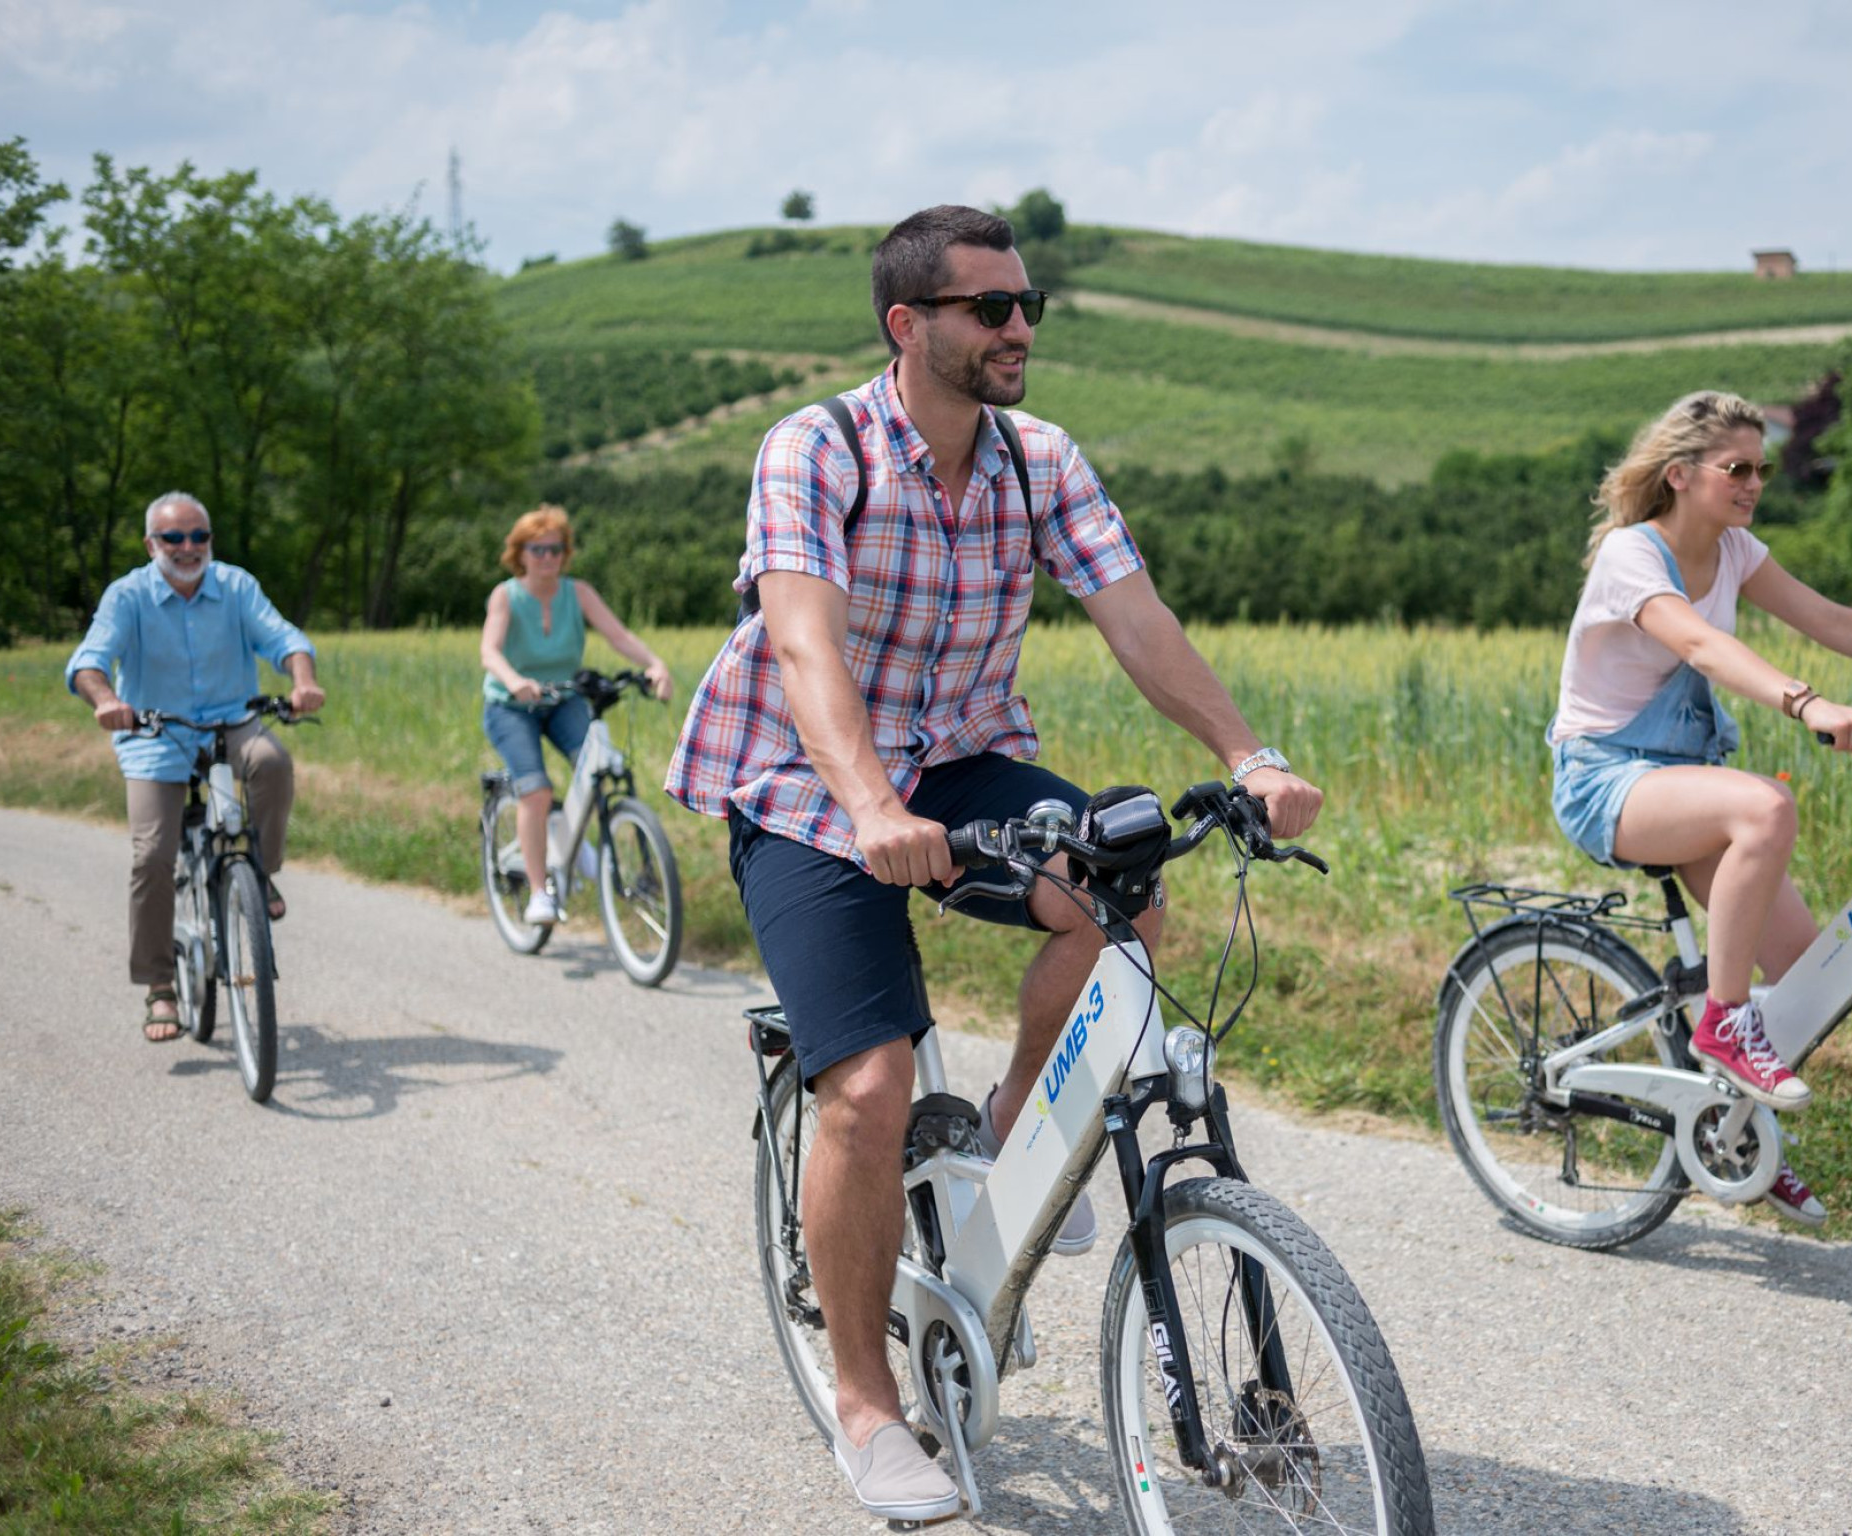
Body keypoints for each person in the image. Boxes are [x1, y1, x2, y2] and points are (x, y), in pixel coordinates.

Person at [666, 204, 1323, 1524]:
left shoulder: (1039, 460)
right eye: (991, 309)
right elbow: (801, 646)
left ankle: (1022, 1126)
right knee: (869, 1076)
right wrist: (868, 805)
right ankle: (866, 1405)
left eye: (1029, 306)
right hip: (806, 779)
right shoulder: (821, 447)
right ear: (910, 326)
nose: (1021, 327)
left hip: (963, 756)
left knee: (1120, 892)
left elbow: (1133, 616)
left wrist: (1248, 755)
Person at [1547, 391, 1852, 1225]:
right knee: (1765, 809)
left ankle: (1732, 1132)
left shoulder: (1733, 550)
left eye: (1760, 468)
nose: (1754, 482)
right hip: (1605, 779)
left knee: (1805, 977)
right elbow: (1698, 643)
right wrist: (1807, 705)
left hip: (1682, 776)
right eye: (1736, 469)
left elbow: (1829, 618)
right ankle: (1722, 1025)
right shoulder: (1632, 555)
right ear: (1680, 475)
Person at [67, 491, 325, 1042]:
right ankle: (160, 987)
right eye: (174, 538)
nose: (188, 548)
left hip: (233, 724)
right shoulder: (128, 595)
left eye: (198, 536)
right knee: (152, 855)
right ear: (151, 544)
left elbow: (283, 638)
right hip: (156, 734)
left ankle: (259, 870)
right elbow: (90, 660)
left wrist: (302, 682)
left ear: (210, 540)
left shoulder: (235, 585)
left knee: (273, 762)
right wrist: (106, 701)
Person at [479, 504, 674, 926]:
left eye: (555, 549)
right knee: (535, 790)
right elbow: (489, 651)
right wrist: (514, 680)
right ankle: (538, 893)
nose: (547, 558)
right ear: (521, 553)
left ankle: (575, 843)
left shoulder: (578, 593)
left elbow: (618, 635)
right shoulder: (506, 596)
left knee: (599, 769)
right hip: (511, 706)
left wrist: (654, 664)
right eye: (538, 549)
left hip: (562, 699)